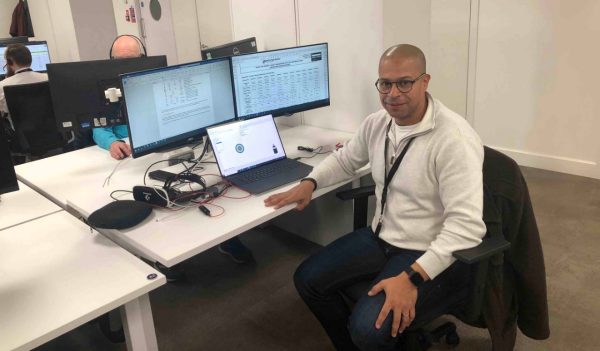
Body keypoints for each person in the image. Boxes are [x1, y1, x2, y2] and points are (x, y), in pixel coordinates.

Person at [264, 44, 486, 350]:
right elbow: (346, 160)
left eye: (404, 82)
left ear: (425, 81)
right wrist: (310, 182)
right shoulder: (378, 123)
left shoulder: (453, 140)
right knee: (308, 279)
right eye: (385, 83)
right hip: (379, 237)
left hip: (423, 251)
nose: (392, 93)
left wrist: (412, 278)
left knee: (369, 329)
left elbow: (468, 229)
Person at [92, 35, 144, 160]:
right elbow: (99, 130)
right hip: (127, 150)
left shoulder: (153, 82)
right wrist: (112, 143)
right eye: (119, 60)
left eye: (130, 60)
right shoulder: (106, 89)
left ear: (142, 59)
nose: (125, 66)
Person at [0, 43, 48, 114]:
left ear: (9, 62)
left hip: (16, 125)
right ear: (30, 59)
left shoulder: (2, 85)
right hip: (48, 123)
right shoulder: (48, 78)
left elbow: (3, 110)